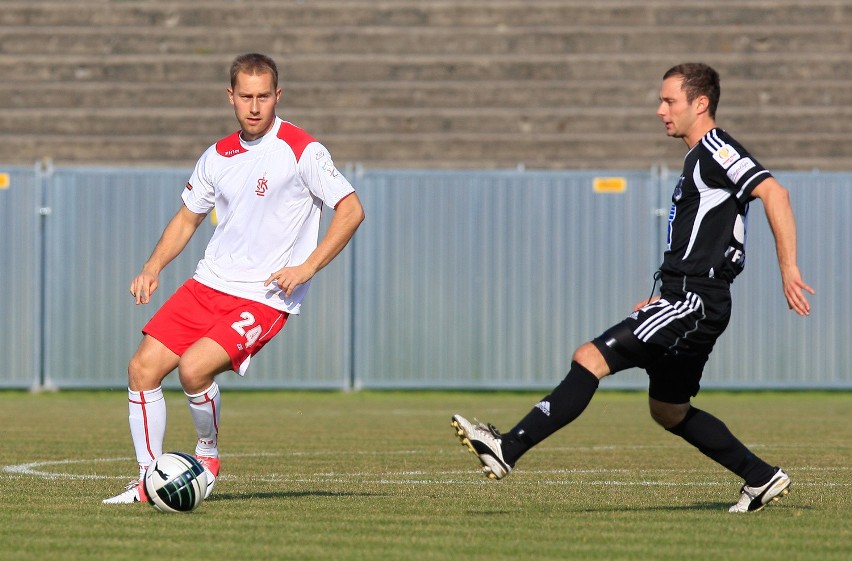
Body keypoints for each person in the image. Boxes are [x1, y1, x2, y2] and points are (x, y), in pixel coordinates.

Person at [451, 62, 814, 513]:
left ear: (700, 104)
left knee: (590, 357)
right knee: (669, 411)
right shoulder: (696, 158)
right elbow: (702, 238)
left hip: (694, 299)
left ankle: (508, 447)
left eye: (669, 101)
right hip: (688, 296)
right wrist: (665, 290)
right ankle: (761, 477)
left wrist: (788, 267)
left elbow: (775, 193)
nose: (660, 110)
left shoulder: (715, 148)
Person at [104, 53, 364, 504]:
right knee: (141, 369)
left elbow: (352, 209)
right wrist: (152, 267)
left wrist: (307, 268)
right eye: (246, 96)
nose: (255, 106)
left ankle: (207, 455)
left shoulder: (303, 150)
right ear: (231, 97)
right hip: (207, 285)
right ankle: (148, 480)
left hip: (263, 297)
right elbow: (187, 219)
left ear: (278, 96)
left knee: (193, 368)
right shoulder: (217, 155)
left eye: (264, 96)